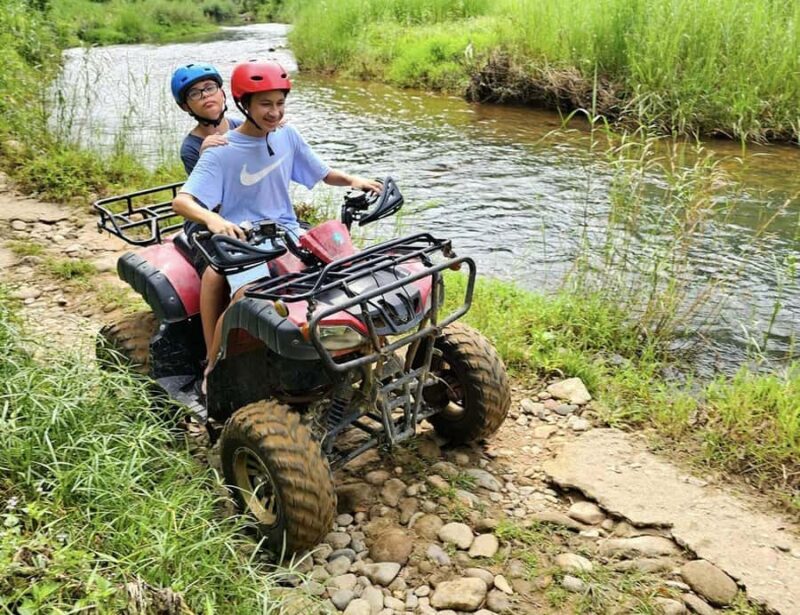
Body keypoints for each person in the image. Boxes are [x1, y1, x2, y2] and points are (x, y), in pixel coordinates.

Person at [172, 60, 382, 391]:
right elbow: (183, 202)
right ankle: (213, 367)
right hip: (245, 238)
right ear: (246, 105)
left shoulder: (286, 135)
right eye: (266, 104)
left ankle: (354, 347)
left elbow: (322, 172)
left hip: (287, 230)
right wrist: (214, 219)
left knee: (344, 273)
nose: (275, 112)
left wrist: (353, 179)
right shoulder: (217, 151)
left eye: (280, 103)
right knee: (245, 297)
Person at [170, 62, 242, 174]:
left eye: (210, 88)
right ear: (186, 107)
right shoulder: (191, 148)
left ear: (222, 93)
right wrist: (205, 158)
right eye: (194, 94)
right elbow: (204, 189)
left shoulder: (242, 126)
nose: (205, 95)